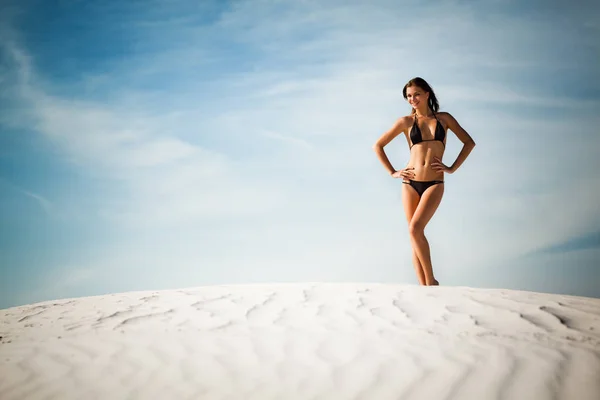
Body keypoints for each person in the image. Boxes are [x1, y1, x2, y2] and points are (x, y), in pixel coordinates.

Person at [372, 77, 476, 286]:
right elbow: (378, 146)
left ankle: (431, 282)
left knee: (415, 229)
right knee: (414, 235)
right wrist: (393, 172)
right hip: (410, 183)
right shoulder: (406, 122)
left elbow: (469, 142)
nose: (412, 99)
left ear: (427, 93)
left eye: (416, 94)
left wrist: (452, 168)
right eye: (409, 96)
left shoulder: (444, 119)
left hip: (434, 183)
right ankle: (425, 288)